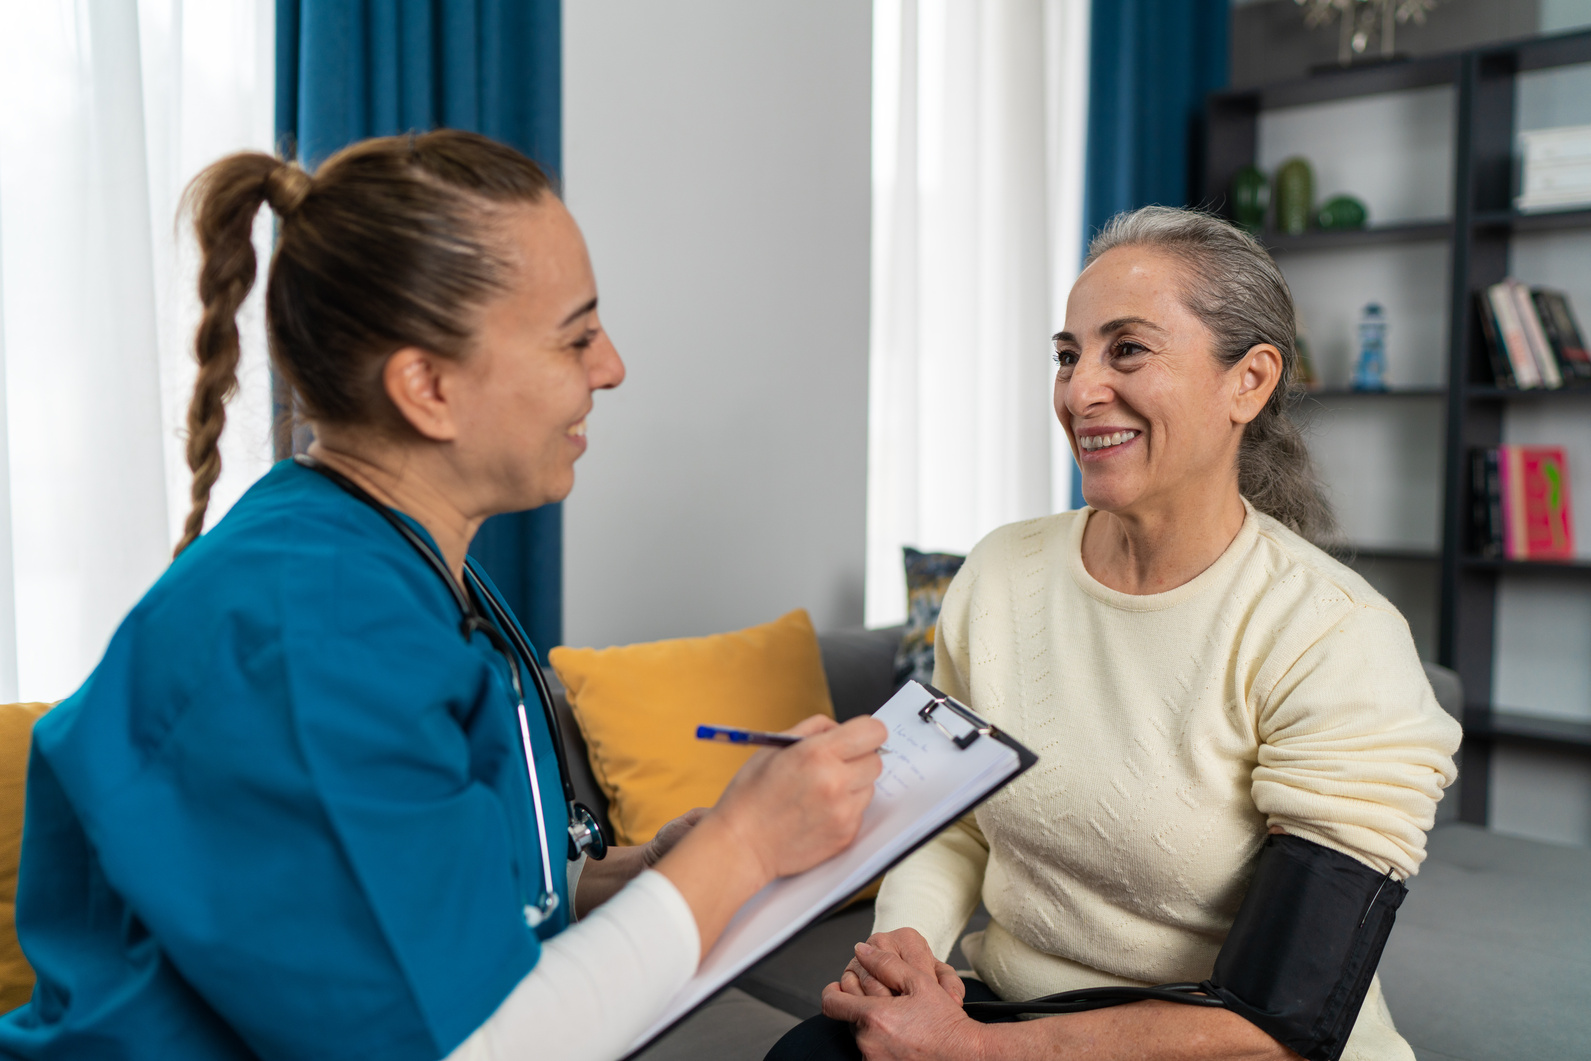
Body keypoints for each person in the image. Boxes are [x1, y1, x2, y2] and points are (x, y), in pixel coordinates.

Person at [0, 130, 887, 1061]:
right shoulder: (316, 631)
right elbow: (472, 1046)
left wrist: (632, 876)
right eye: (576, 335)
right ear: (426, 386)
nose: (612, 366)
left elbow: (429, 888)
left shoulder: (393, 556)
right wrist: (739, 848)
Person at [769, 206, 1462, 1061]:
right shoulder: (997, 574)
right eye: (1067, 355)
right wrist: (905, 953)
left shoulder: (1335, 637)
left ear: (1246, 381)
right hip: (1015, 1007)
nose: (1078, 389)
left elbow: (1281, 1017)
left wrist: (971, 1052)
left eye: (1125, 349)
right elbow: (951, 818)